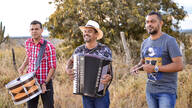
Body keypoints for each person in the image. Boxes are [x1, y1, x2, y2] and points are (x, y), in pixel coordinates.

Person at [130, 11, 183, 108]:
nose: (149, 24)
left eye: (152, 21)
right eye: (147, 22)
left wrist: (155, 68)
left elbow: (179, 65)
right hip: (150, 90)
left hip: (166, 91)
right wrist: (137, 67)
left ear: (161, 23)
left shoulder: (169, 41)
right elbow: (143, 63)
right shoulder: (145, 43)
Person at [65, 20, 112, 108]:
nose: (86, 33)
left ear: (96, 34)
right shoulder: (79, 50)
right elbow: (70, 61)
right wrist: (67, 69)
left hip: (101, 93)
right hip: (85, 92)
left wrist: (108, 77)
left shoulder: (105, 49)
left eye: (89, 31)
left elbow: (109, 70)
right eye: (85, 31)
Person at [18, 20, 56, 108]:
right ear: (29, 31)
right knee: (31, 106)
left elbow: (52, 67)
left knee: (48, 106)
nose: (34, 31)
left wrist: (45, 83)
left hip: (45, 82)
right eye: (32, 29)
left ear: (41, 30)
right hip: (31, 81)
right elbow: (29, 56)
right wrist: (23, 66)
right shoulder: (28, 43)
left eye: (36, 29)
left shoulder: (48, 46)